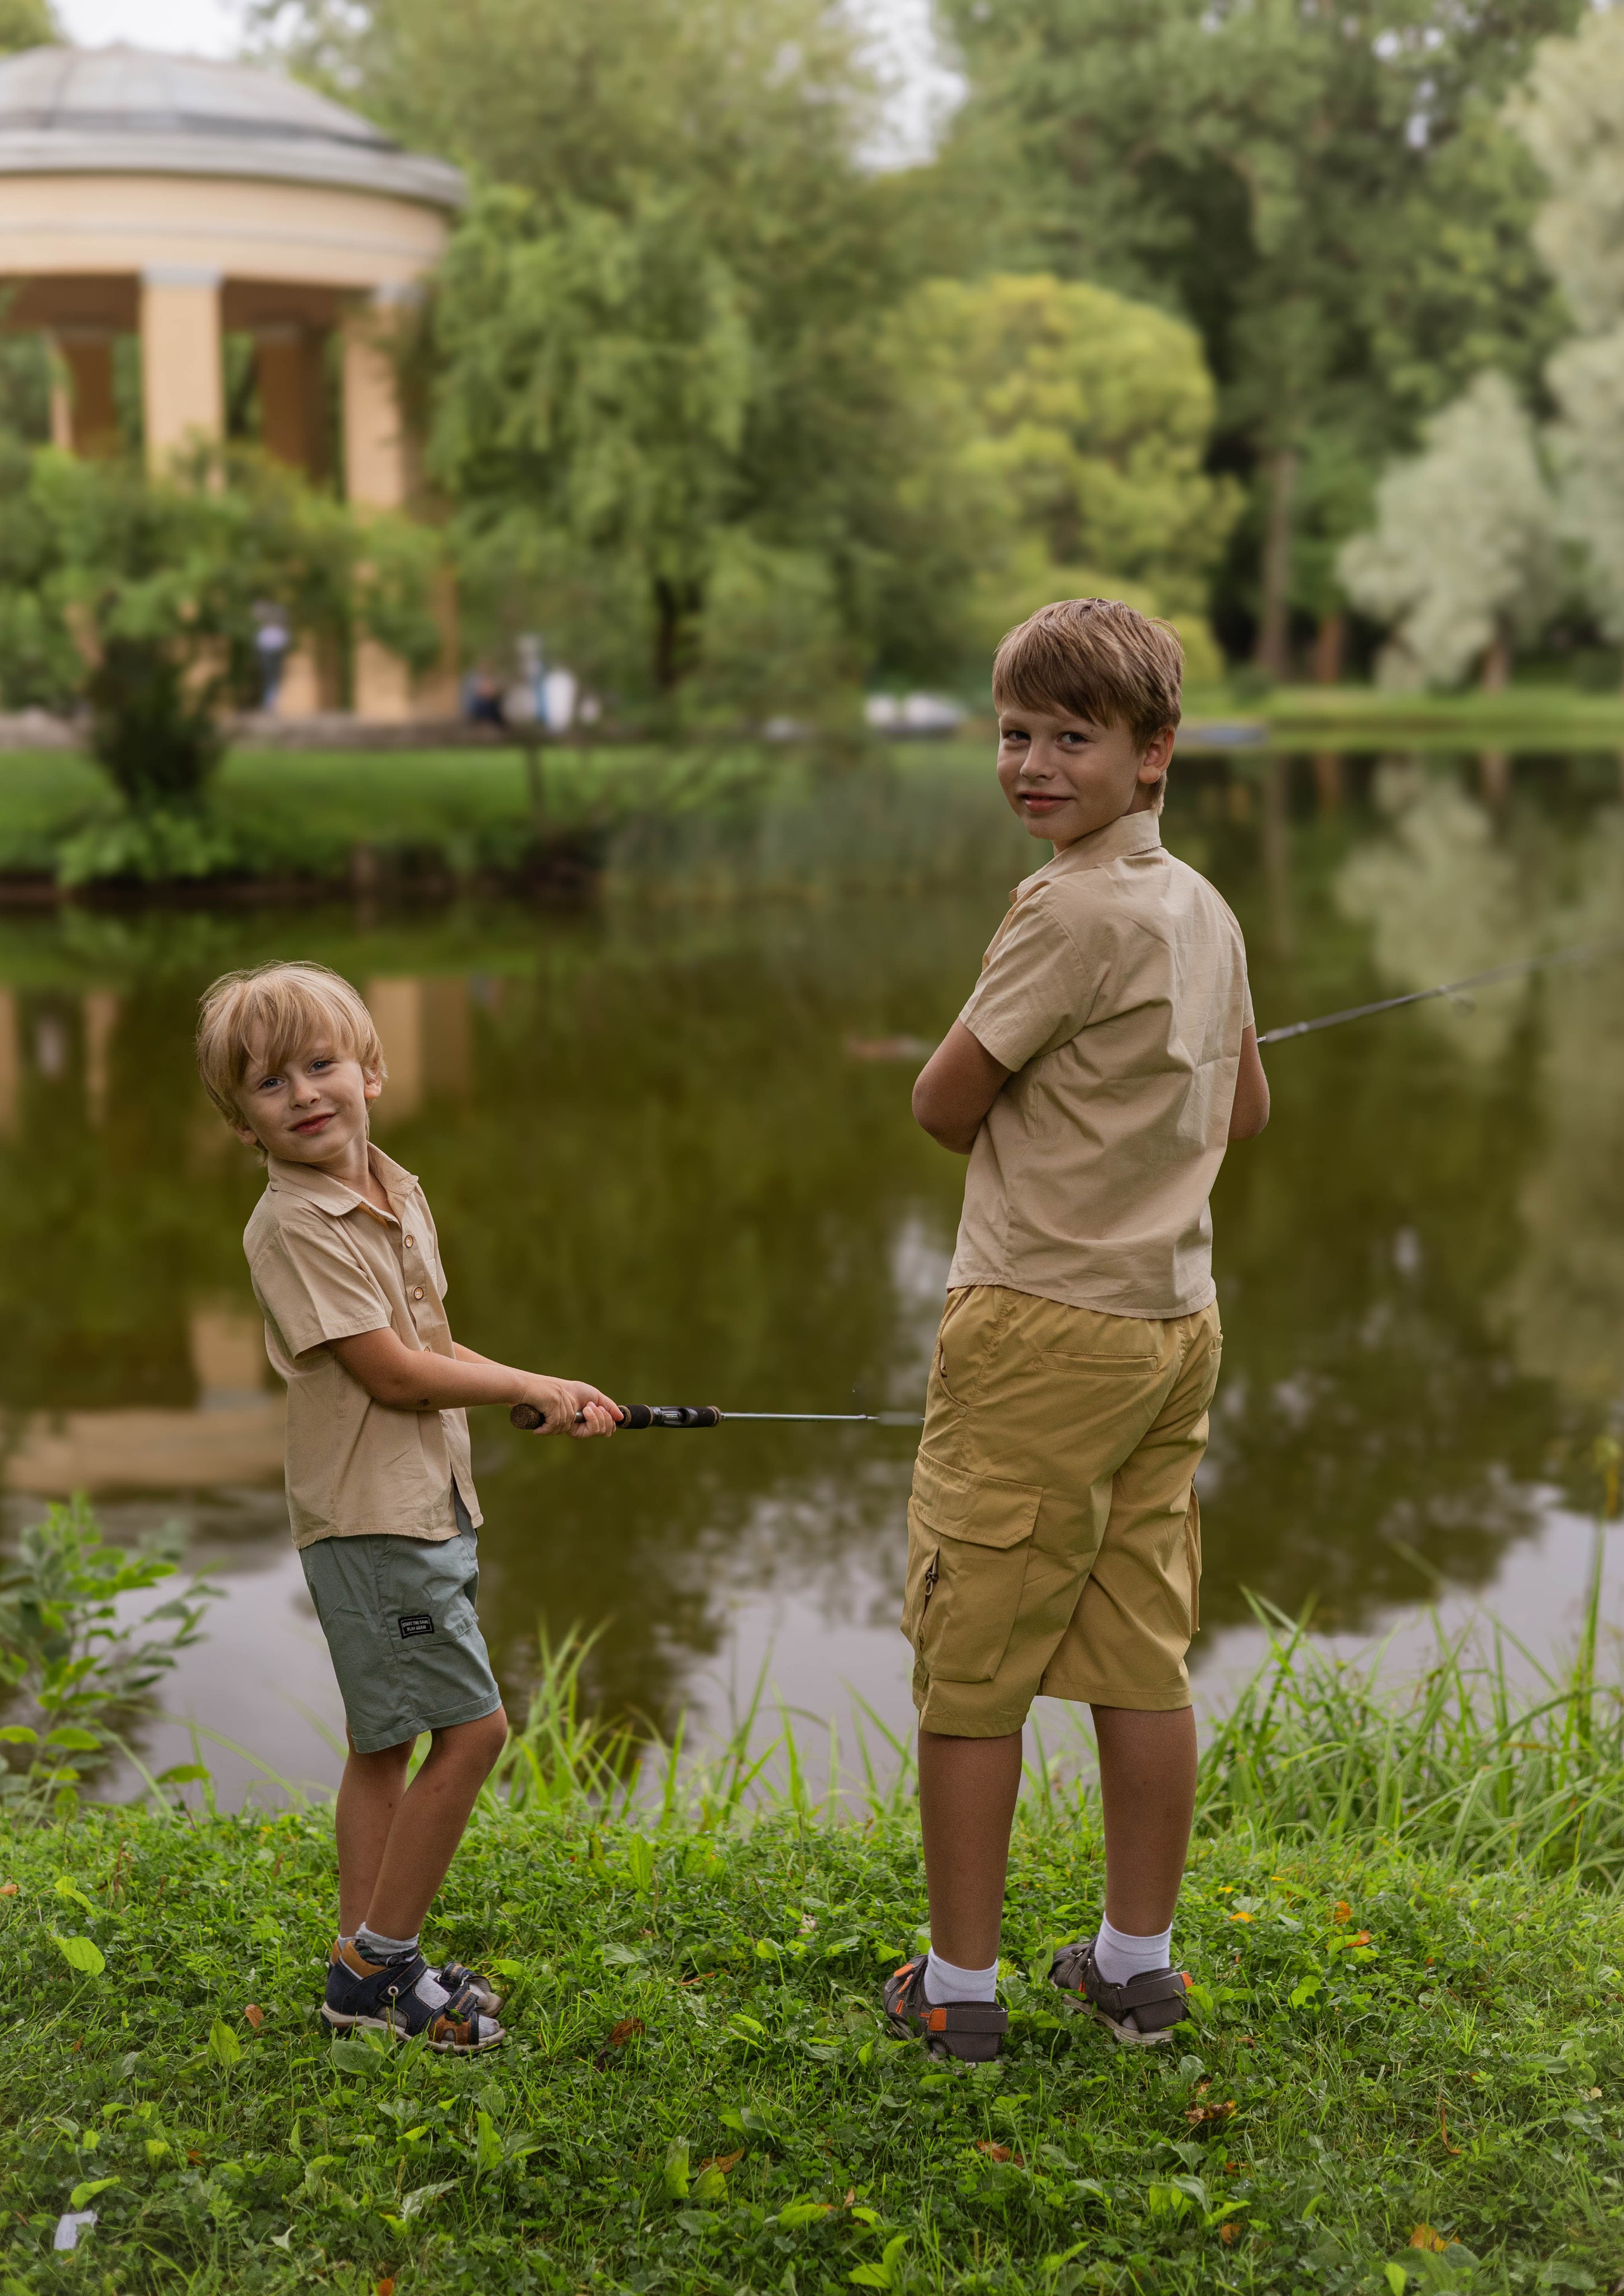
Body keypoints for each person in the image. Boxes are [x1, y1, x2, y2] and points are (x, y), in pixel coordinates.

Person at [884, 599, 1270, 2063]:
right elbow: (1243, 1109)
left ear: (1152, 751)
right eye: (1012, 734)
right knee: (1137, 1648)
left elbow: (940, 1103)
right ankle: (1134, 1967)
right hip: (1171, 1325)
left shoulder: (1063, 908)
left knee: (969, 1657)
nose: (1031, 765)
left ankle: (958, 1988)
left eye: (1070, 737)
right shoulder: (1203, 907)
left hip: (1038, 1324)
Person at [195, 961, 621, 2054]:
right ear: (241, 1122)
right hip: (374, 1521)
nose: (303, 1094)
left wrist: (541, 1385)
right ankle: (381, 1968)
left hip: (426, 1504)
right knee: (475, 1734)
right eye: (269, 1083)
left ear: (371, 1071)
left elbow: (428, 1347)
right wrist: (521, 1384)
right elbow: (389, 1374)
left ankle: (363, 1966)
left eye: (321, 1064)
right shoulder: (295, 1225)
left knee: (384, 1743)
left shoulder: (394, 1188)